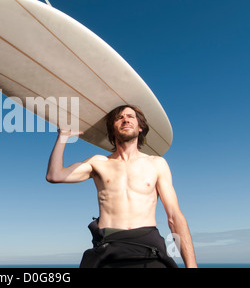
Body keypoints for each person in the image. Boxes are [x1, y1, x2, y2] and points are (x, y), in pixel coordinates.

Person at [46, 105, 197, 268]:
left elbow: (174, 216)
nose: (125, 119)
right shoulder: (99, 162)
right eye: (119, 118)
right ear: (112, 129)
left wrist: (191, 265)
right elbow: (54, 175)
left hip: (148, 247)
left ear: (140, 127)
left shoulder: (157, 164)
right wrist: (63, 137)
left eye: (130, 117)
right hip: (108, 246)